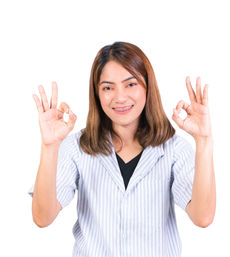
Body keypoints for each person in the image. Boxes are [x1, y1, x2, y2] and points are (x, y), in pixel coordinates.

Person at [29, 41, 216, 257]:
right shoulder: (77, 147)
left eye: (130, 84)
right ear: (97, 94)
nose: (119, 97)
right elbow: (42, 217)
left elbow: (202, 217)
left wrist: (204, 140)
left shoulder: (173, 148)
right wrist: (50, 146)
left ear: (148, 86)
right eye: (108, 87)